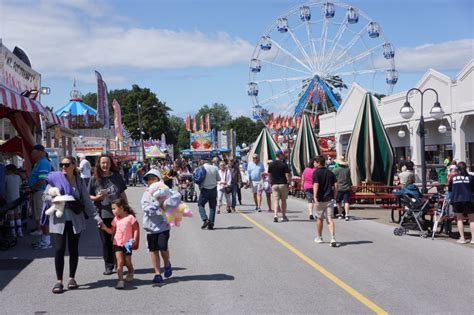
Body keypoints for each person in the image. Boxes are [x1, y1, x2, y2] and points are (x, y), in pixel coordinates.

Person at [44, 157, 102, 294]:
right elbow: (44, 197)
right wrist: (54, 198)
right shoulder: (55, 179)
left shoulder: (79, 181)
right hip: (58, 221)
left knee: (73, 249)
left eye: (66, 164)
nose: (63, 167)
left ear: (74, 166)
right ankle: (59, 281)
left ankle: (72, 278)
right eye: (61, 164)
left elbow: (87, 201)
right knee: (59, 249)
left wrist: (96, 217)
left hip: (75, 220)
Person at [89, 154, 128, 275]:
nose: (105, 165)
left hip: (118, 214)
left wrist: (127, 210)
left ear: (111, 164)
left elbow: (122, 194)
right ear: (99, 165)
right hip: (102, 213)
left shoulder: (117, 177)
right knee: (105, 241)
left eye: (107, 163)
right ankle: (109, 265)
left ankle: (119, 263)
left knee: (119, 240)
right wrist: (97, 197)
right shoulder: (94, 179)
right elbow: (88, 196)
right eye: (103, 163)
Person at [100, 198, 139, 289]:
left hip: (128, 243)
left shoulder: (130, 218)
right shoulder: (115, 220)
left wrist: (134, 239)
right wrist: (104, 228)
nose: (113, 211)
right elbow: (112, 231)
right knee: (120, 262)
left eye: (114, 208)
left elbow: (136, 229)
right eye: (112, 209)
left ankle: (130, 270)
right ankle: (120, 281)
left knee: (127, 261)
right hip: (117, 243)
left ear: (121, 208)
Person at [142, 169, 172, 283]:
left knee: (163, 247)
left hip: (163, 225)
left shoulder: (166, 192)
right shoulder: (146, 194)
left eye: (153, 179)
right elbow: (146, 209)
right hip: (150, 227)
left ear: (159, 180)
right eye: (149, 179)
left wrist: (164, 207)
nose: (151, 181)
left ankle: (167, 263)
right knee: (153, 250)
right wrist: (157, 204)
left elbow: (171, 206)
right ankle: (157, 273)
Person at [28, 144, 53, 249]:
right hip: (39, 192)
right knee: (41, 217)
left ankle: (47, 241)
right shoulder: (40, 162)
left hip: (41, 192)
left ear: (40, 152)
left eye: (33, 152)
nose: (32, 155)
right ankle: (44, 239)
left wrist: (32, 188)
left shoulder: (42, 162)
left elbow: (43, 179)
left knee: (43, 217)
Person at [313, 155, 338, 247]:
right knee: (330, 218)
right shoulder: (330, 173)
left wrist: (315, 197)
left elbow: (316, 184)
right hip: (330, 199)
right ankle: (332, 237)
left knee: (320, 218)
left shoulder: (316, 173)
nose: (314, 163)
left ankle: (319, 237)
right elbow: (336, 185)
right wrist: (334, 196)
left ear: (319, 163)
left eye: (315, 162)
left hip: (320, 199)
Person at [448, 161, 474, 244]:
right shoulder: (470, 177)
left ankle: (462, 238)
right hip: (469, 199)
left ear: (457, 169)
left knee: (459, 219)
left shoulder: (453, 178)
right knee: (472, 220)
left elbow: (450, 190)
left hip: (456, 200)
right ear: (466, 168)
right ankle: (473, 239)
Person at [268, 150, 291, 223]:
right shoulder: (284, 164)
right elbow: (287, 174)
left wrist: (271, 181)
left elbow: (269, 174)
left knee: (276, 200)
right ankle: (283, 216)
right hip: (283, 184)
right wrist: (289, 182)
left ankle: (275, 215)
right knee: (283, 200)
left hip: (274, 184)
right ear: (280, 155)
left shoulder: (271, 164)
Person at [197, 158, 220, 230]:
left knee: (200, 204)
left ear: (203, 161)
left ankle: (205, 219)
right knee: (212, 207)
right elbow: (218, 179)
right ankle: (211, 223)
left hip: (204, 189)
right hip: (213, 189)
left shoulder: (201, 168)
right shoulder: (215, 168)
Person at [5, 164, 23, 237]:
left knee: (11, 215)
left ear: (9, 170)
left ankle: (13, 232)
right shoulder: (18, 177)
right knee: (17, 214)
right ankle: (20, 231)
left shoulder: (6, 177)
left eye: (6, 170)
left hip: (9, 198)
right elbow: (19, 186)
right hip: (17, 198)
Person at [333, 156, 352, 221]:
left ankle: (340, 213)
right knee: (346, 202)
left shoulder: (335, 170)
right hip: (347, 187)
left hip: (339, 188)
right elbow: (349, 178)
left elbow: (333, 179)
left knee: (338, 202)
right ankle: (347, 215)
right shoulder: (348, 169)